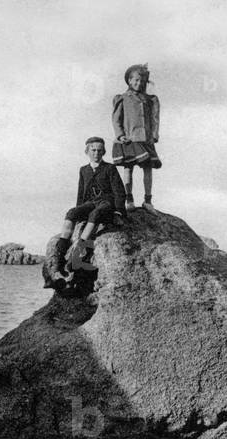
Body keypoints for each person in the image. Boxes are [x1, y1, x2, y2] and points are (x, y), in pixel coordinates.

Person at [48, 136, 127, 289]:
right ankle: (58, 263)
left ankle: (76, 256)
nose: (96, 153)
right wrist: (78, 212)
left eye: (99, 150)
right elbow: (81, 193)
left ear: (103, 152)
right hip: (90, 203)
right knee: (71, 213)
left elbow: (119, 192)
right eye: (93, 150)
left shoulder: (110, 168)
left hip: (106, 203)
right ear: (87, 151)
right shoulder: (83, 170)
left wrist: (118, 212)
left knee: (95, 215)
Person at [112, 64, 162, 214]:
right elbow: (116, 119)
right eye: (136, 80)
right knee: (128, 167)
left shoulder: (150, 100)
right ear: (129, 80)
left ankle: (148, 201)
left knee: (148, 168)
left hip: (146, 139)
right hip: (129, 138)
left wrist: (154, 134)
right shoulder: (122, 98)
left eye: (142, 81)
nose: (138, 83)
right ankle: (129, 199)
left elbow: (155, 118)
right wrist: (120, 134)